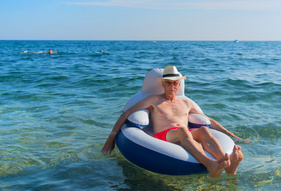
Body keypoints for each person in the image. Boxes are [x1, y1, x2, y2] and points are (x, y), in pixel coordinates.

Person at [101, 66, 244, 178]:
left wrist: (229, 133)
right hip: (164, 135)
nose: (172, 86)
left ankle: (227, 165)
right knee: (182, 131)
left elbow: (209, 120)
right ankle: (210, 164)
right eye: (168, 83)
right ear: (163, 84)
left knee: (204, 130)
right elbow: (126, 114)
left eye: (175, 83)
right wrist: (111, 138)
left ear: (178, 84)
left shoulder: (186, 103)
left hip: (185, 135)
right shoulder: (154, 100)